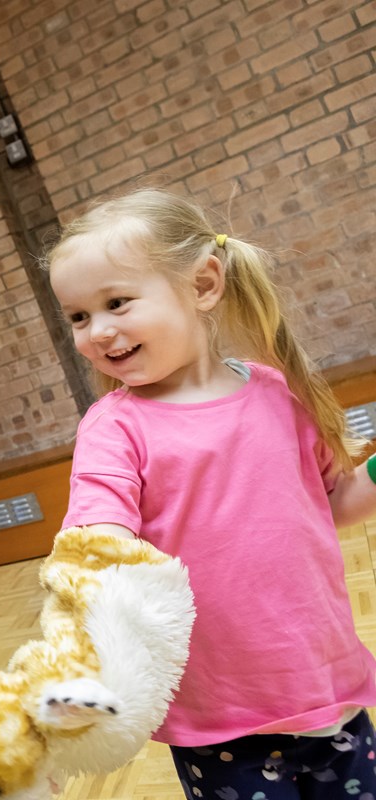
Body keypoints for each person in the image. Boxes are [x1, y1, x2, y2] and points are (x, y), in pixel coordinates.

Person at [45, 187, 376, 800]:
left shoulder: (280, 393)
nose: (98, 331)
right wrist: (102, 563)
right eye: (79, 316)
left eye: (116, 302)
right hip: (220, 719)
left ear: (203, 285)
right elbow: (98, 533)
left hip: (328, 687)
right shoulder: (115, 428)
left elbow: (334, 505)